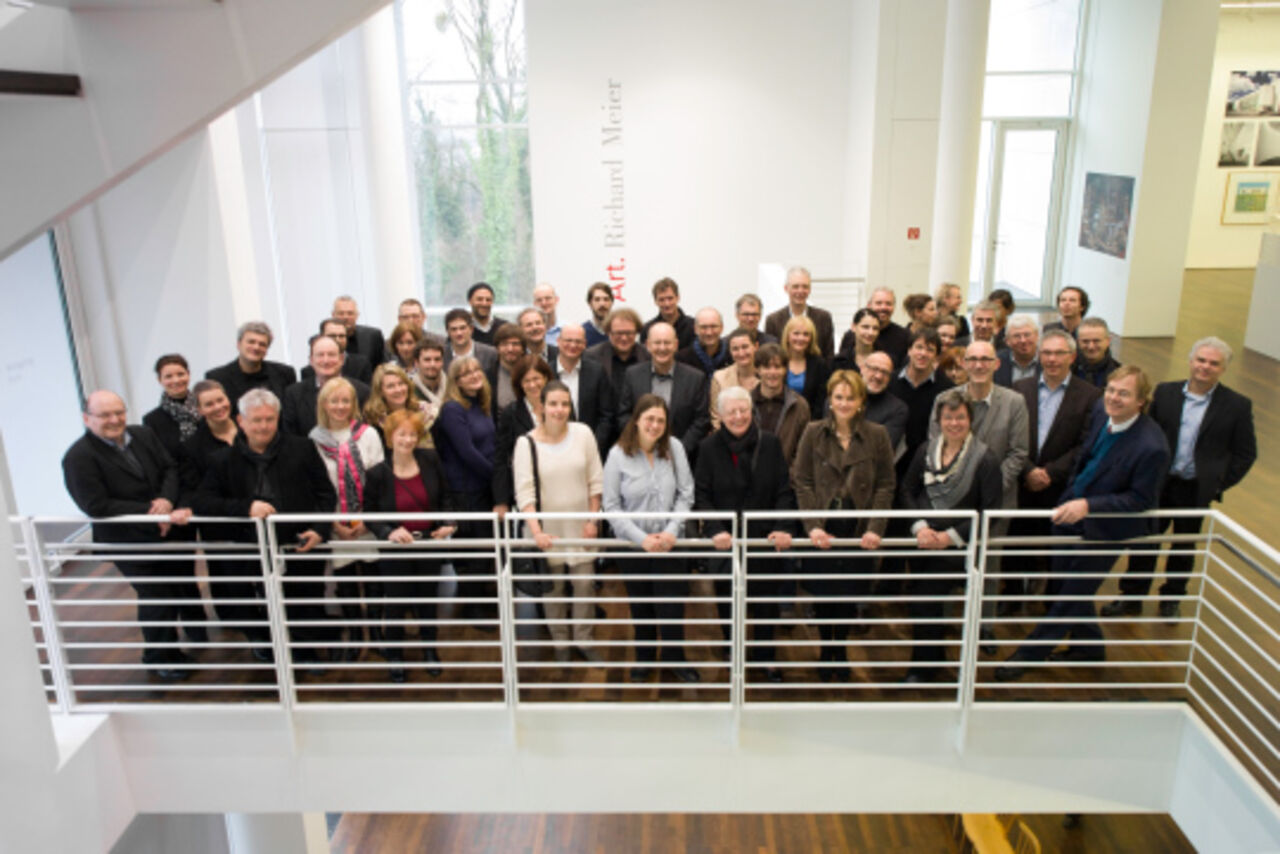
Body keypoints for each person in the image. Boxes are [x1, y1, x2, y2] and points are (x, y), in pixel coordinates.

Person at [996, 366, 1170, 680]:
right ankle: (1089, 647)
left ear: (1141, 401)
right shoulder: (1104, 417)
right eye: (1111, 390)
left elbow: (1139, 501)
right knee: (1069, 585)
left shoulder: (1151, 447)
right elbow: (1085, 459)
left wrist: (1088, 505)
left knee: (1069, 597)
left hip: (1106, 529)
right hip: (1069, 515)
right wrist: (1070, 496)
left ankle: (1028, 655)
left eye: (1124, 393)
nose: (1114, 398)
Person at [1107, 337, 1256, 619]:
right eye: (1201, 360)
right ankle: (1132, 596)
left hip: (1196, 489)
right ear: (1190, 361)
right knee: (1144, 540)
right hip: (1158, 483)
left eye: (1213, 363)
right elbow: (1145, 432)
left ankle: (1172, 598)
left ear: (1223, 368)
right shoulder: (1166, 393)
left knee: (1184, 545)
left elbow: (1245, 454)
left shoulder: (1237, 405)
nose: (1205, 367)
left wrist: (1217, 483)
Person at [194, 388, 336, 666]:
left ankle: (306, 653)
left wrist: (320, 529)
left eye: (269, 419)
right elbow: (203, 501)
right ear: (241, 421)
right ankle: (269, 650)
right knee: (260, 603)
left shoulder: (302, 448)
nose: (263, 426)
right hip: (252, 548)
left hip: (300, 543)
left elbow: (326, 494)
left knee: (306, 600)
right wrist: (246, 507)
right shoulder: (221, 460)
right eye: (256, 420)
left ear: (278, 418)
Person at [63, 390, 199, 679]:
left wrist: (166, 501)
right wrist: (151, 510)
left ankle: (167, 652)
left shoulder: (143, 435)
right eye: (105, 415)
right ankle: (160, 657)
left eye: (119, 412)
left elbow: (169, 469)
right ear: (87, 419)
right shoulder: (78, 457)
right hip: (128, 541)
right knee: (156, 595)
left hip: (166, 530)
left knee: (173, 592)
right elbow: (96, 504)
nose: (115, 420)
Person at [792, 370, 895, 681]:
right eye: (839, 397)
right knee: (824, 593)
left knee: (850, 593)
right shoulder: (813, 431)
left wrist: (875, 527)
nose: (844, 403)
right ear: (830, 399)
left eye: (851, 397)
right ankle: (826, 649)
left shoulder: (877, 435)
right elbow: (802, 481)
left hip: (859, 524)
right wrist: (812, 525)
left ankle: (842, 649)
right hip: (824, 523)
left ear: (861, 400)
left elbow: (886, 485)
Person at [899, 389, 1003, 683]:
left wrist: (950, 537)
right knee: (920, 604)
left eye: (960, 417)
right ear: (939, 420)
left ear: (970, 420)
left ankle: (922, 668)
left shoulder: (986, 458)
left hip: (957, 550)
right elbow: (907, 490)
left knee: (924, 602)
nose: (954, 423)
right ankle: (932, 660)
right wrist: (920, 526)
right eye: (948, 417)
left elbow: (990, 511)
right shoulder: (925, 450)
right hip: (923, 543)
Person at [695, 387, 798, 682]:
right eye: (732, 412)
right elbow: (702, 495)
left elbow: (782, 489)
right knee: (727, 599)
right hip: (725, 540)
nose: (739, 417)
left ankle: (766, 656)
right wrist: (715, 529)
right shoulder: (708, 448)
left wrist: (782, 526)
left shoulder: (771, 444)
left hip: (762, 538)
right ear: (720, 416)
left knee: (766, 601)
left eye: (743, 411)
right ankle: (732, 651)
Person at [929, 340, 1028, 629]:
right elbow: (936, 447)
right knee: (947, 565)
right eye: (972, 359)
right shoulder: (944, 399)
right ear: (963, 364)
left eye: (986, 359)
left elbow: (1018, 452)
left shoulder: (1014, 402)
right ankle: (943, 624)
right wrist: (959, 486)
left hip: (996, 506)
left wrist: (989, 490)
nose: (979, 365)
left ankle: (983, 628)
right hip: (950, 501)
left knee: (988, 569)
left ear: (997, 364)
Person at [603, 394, 698, 683]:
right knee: (640, 603)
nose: (655, 425)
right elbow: (611, 506)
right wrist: (641, 539)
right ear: (637, 420)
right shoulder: (617, 454)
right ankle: (644, 656)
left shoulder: (675, 448)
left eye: (660, 420)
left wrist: (671, 531)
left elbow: (686, 494)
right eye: (649, 419)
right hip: (634, 545)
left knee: (672, 604)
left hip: (670, 543)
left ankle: (675, 658)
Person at [513, 381, 605, 663]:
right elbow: (524, 493)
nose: (559, 410)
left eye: (565, 404)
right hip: (547, 533)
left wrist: (593, 520)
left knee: (585, 587)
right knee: (552, 593)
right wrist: (537, 532)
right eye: (553, 404)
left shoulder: (583, 433)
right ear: (541, 406)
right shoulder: (525, 443)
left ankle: (584, 639)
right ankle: (561, 643)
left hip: (582, 530)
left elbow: (595, 481)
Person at [363, 409, 457, 682]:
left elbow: (445, 498)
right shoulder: (378, 473)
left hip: (428, 544)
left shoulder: (430, 459)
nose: (407, 439)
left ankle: (429, 649)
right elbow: (370, 514)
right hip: (395, 550)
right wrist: (388, 532)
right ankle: (395, 655)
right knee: (396, 603)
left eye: (412, 434)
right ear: (390, 437)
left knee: (428, 600)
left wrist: (448, 523)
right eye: (401, 434)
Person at [1010, 330, 1101, 605]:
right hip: (1021, 480)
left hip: (1061, 486)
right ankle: (1012, 595)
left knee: (1055, 545)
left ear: (1072, 357)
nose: (1052, 359)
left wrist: (1050, 473)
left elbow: (1086, 444)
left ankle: (1052, 600)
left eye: (1059, 353)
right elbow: (1010, 437)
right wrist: (1028, 470)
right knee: (1017, 541)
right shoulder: (1019, 390)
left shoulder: (1091, 396)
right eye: (1046, 353)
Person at [310, 377, 385, 659]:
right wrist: (332, 523)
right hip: (337, 523)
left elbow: (380, 481)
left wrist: (369, 520)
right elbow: (315, 487)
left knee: (374, 579)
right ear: (324, 404)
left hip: (367, 520)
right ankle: (355, 633)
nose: (340, 406)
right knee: (347, 581)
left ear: (353, 404)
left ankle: (377, 632)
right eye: (334, 401)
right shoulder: (314, 440)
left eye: (345, 401)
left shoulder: (368, 434)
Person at [430, 357, 500, 623]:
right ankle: (471, 609)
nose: (473, 375)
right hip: (464, 490)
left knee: (485, 550)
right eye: (465, 373)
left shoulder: (481, 405)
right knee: (473, 553)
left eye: (477, 369)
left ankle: (481, 602)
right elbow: (467, 453)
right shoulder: (452, 409)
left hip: (483, 486)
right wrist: (497, 477)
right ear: (456, 381)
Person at [617, 322, 710, 460]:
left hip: (682, 458)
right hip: (639, 455)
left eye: (667, 343)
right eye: (657, 343)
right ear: (648, 345)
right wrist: (641, 444)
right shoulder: (632, 375)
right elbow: (624, 415)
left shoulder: (696, 378)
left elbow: (701, 420)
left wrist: (679, 450)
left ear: (676, 345)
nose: (662, 348)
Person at [889, 327, 954, 481]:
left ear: (937, 357)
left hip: (927, 466)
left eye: (930, 350)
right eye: (918, 347)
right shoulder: (890, 382)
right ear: (909, 350)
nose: (923, 354)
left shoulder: (947, 389)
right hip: (891, 462)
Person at [493, 355, 554, 513]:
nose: (532, 385)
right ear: (519, 384)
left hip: (556, 486)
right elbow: (501, 457)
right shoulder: (510, 413)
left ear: (546, 378)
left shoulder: (560, 408)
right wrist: (501, 500)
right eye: (526, 381)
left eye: (536, 378)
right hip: (525, 490)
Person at [282, 334, 371, 437]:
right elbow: (291, 437)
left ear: (341, 359)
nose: (326, 360)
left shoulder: (362, 392)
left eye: (331, 355)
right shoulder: (293, 394)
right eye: (320, 355)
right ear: (311, 360)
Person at [551, 322, 615, 455]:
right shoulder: (547, 372)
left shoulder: (597, 372)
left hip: (591, 451)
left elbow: (606, 416)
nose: (573, 345)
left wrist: (593, 447)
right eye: (568, 340)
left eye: (578, 341)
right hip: (553, 450)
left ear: (585, 344)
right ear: (558, 341)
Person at [204, 321, 297, 407]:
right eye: (251, 342)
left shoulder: (285, 373)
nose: (256, 347)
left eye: (262, 344)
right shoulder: (217, 378)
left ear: (267, 350)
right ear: (239, 344)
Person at [751, 343, 812, 466]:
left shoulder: (799, 405)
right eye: (767, 367)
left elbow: (804, 449)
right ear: (757, 370)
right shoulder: (745, 403)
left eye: (778, 367)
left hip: (787, 480)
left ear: (785, 370)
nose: (772, 372)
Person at [764, 266, 835, 362]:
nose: (800, 291)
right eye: (795, 286)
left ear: (810, 289)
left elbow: (829, 355)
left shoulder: (824, 318)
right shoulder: (773, 321)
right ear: (786, 288)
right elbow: (770, 356)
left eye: (805, 286)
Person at [584, 306, 649, 404]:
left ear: (637, 332)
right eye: (618, 333)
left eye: (629, 333)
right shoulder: (592, 357)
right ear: (608, 332)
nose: (624, 338)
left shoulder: (648, 356)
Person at [143, 354, 202, 459]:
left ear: (188, 374)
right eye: (168, 376)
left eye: (180, 374)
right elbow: (158, 459)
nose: (176, 380)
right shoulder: (152, 420)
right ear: (159, 380)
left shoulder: (204, 406)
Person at [364, 363, 429, 447]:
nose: (398, 390)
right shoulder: (373, 420)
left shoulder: (426, 412)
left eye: (401, 384)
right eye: (391, 386)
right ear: (380, 391)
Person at [709, 327, 759, 429]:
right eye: (735, 349)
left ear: (756, 346)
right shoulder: (719, 378)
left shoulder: (767, 376)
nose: (741, 353)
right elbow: (716, 418)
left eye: (745, 347)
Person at [783, 315, 831, 419]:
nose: (801, 338)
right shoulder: (779, 361)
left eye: (806, 334)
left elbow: (821, 402)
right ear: (787, 336)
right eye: (796, 333)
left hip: (810, 423)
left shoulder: (819, 365)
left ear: (811, 338)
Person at [860, 351, 908, 455]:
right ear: (862, 368)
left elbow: (882, 450)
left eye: (885, 372)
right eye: (874, 369)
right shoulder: (841, 398)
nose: (878, 376)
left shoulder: (897, 409)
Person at [301, 318, 373, 385]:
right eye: (332, 336)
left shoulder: (362, 364)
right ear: (321, 336)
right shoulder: (309, 371)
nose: (338, 340)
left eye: (341, 336)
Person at [641, 276, 695, 348]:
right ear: (655, 301)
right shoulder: (647, 329)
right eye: (661, 300)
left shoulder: (693, 326)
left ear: (678, 297)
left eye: (670, 298)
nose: (667, 304)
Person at [333, 294, 386, 367]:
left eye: (350, 313)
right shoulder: (322, 340)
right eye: (341, 313)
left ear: (357, 315)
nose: (345, 317)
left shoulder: (373, 336)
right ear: (333, 315)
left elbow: (382, 366)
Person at [442, 308, 499, 375]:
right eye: (454, 329)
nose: (459, 333)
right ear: (447, 332)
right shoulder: (441, 355)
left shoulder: (490, 354)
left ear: (471, 329)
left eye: (462, 328)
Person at [676, 307, 729, 376]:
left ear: (722, 328)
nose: (709, 333)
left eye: (713, 326)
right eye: (704, 327)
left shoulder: (733, 356)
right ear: (695, 329)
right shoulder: (682, 359)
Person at [409, 338, 449, 429]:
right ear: (416, 363)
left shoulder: (453, 386)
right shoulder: (409, 391)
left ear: (442, 362)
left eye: (437, 359)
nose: (432, 364)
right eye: (427, 360)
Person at [993, 315, 1040, 388]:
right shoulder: (996, 362)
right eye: (1017, 336)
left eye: (1027, 335)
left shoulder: (1048, 359)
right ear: (1007, 341)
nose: (1023, 340)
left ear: (1037, 336)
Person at [1073, 317, 1121, 388]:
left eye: (1096, 341)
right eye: (1085, 341)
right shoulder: (1066, 370)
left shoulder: (1120, 374)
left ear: (1108, 341)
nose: (1091, 347)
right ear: (1078, 342)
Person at [490, 323, 527, 412]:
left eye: (515, 344)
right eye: (504, 344)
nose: (510, 349)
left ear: (523, 348)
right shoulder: (488, 376)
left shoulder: (532, 372)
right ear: (497, 348)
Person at [837, 308, 881, 374]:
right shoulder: (838, 361)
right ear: (853, 327)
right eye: (865, 327)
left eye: (875, 328)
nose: (871, 333)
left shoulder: (884, 360)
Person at [468, 281, 510, 346]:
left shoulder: (504, 327)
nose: (484, 303)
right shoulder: (463, 328)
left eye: (488, 300)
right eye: (479, 299)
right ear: (470, 301)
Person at [583, 282, 614, 347]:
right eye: (597, 299)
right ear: (590, 303)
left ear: (611, 302)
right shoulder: (582, 332)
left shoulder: (620, 331)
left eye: (606, 299)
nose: (602, 304)